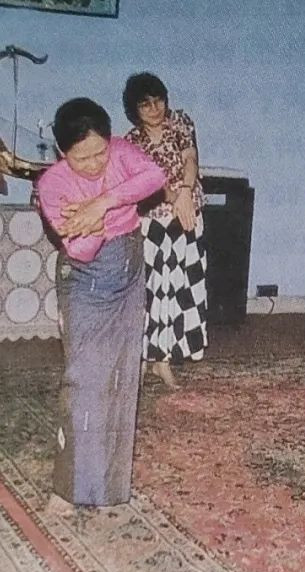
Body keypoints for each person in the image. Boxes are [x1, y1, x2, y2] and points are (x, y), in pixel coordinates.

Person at [35, 97, 166, 514]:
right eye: (81, 157)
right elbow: (80, 248)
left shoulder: (121, 152)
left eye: (100, 153)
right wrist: (101, 221)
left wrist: (102, 204)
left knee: (122, 377)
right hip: (86, 279)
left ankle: (109, 488)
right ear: (61, 151)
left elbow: (155, 176)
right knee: (85, 378)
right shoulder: (52, 185)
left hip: (129, 269)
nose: (94, 164)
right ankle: (68, 488)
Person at [123, 72, 207, 389]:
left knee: (180, 286)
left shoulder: (180, 123)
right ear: (135, 109)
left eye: (158, 101)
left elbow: (190, 159)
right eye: (145, 104)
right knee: (153, 289)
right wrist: (172, 196)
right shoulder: (130, 142)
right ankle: (146, 357)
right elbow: (142, 185)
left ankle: (166, 359)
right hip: (153, 220)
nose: (155, 109)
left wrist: (184, 193)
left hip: (186, 215)